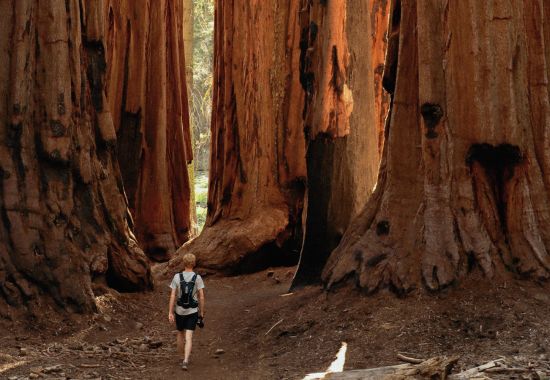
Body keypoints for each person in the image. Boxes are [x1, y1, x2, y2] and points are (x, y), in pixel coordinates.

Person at [168, 253, 205, 370]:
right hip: (192, 311)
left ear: (184, 263)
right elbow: (202, 297)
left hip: (179, 311)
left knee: (180, 333)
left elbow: (173, 295)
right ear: (194, 263)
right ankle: (186, 360)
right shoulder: (197, 278)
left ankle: (181, 357)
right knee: (189, 336)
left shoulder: (177, 277)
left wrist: (170, 312)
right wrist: (202, 312)